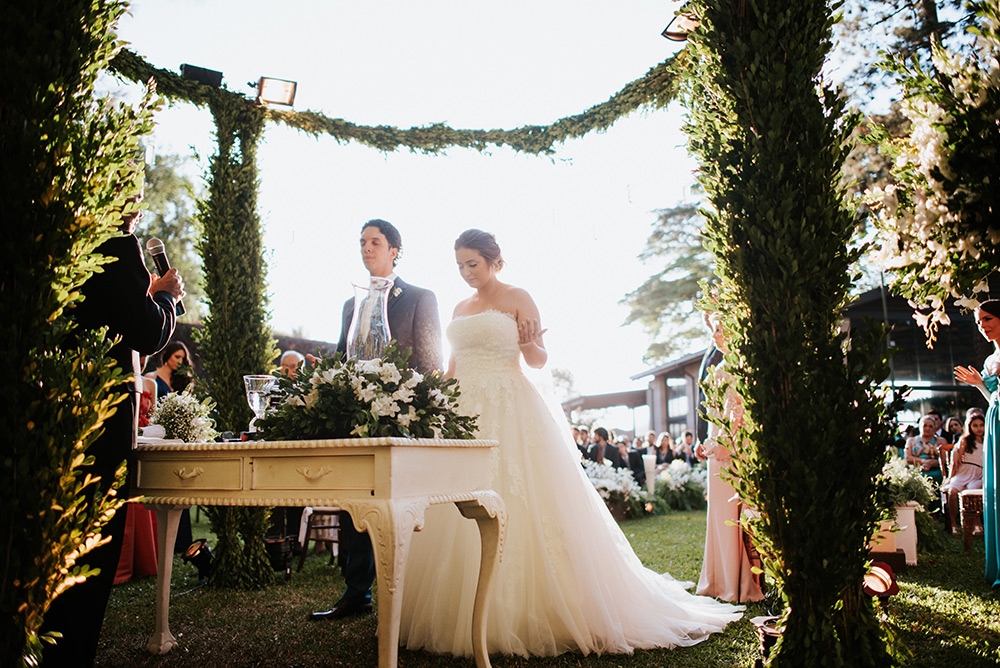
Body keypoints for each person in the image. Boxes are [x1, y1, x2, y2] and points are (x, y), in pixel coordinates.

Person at [398, 229, 741, 658]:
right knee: (459, 502)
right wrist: (431, 398)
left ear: (493, 260)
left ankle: (527, 611)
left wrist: (526, 342)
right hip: (466, 414)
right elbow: (452, 367)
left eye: (473, 264)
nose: (467, 273)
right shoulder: (459, 307)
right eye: (460, 266)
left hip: (510, 407)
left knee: (521, 498)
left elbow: (539, 360)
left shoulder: (518, 297)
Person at [42, 190, 183, 667]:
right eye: (137, 195)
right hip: (101, 412)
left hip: (56, 404)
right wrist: (165, 296)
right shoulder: (120, 245)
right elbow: (144, 331)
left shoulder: (59, 240)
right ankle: (72, 652)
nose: (140, 207)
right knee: (95, 539)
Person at [311, 219, 442, 621]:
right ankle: (356, 594)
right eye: (362, 242)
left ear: (394, 250)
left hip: (402, 422)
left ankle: (406, 593)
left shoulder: (420, 297)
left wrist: (412, 406)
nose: (366, 248)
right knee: (355, 506)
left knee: (399, 510)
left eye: (375, 242)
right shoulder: (351, 304)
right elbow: (342, 354)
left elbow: (431, 363)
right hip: (355, 418)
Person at [694, 316, 763, 603]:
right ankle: (719, 578)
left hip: (731, 449)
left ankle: (736, 581)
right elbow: (713, 414)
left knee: (732, 515)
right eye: (714, 331)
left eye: (722, 329)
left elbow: (738, 414)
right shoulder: (718, 368)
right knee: (719, 516)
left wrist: (720, 443)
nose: (716, 336)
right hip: (715, 451)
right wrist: (705, 442)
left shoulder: (739, 369)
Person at [955, 299, 1000, 587]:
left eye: (987, 319)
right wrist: (980, 385)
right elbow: (992, 399)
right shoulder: (990, 360)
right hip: (996, 420)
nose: (982, 326)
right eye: (979, 322)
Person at [942, 414, 985, 533]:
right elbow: (956, 461)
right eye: (975, 426)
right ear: (969, 427)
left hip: (979, 473)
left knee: (973, 491)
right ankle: (954, 524)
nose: (979, 428)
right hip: (964, 471)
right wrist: (951, 477)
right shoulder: (965, 440)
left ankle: (976, 523)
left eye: (981, 425)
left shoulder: (988, 440)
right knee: (953, 491)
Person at [906, 415, 945, 485]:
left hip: (937, 472)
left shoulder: (941, 441)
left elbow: (945, 459)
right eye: (925, 426)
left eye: (930, 426)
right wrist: (924, 461)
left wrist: (933, 463)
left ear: (934, 428)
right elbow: (907, 458)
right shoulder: (911, 440)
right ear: (920, 426)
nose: (927, 428)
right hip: (917, 472)